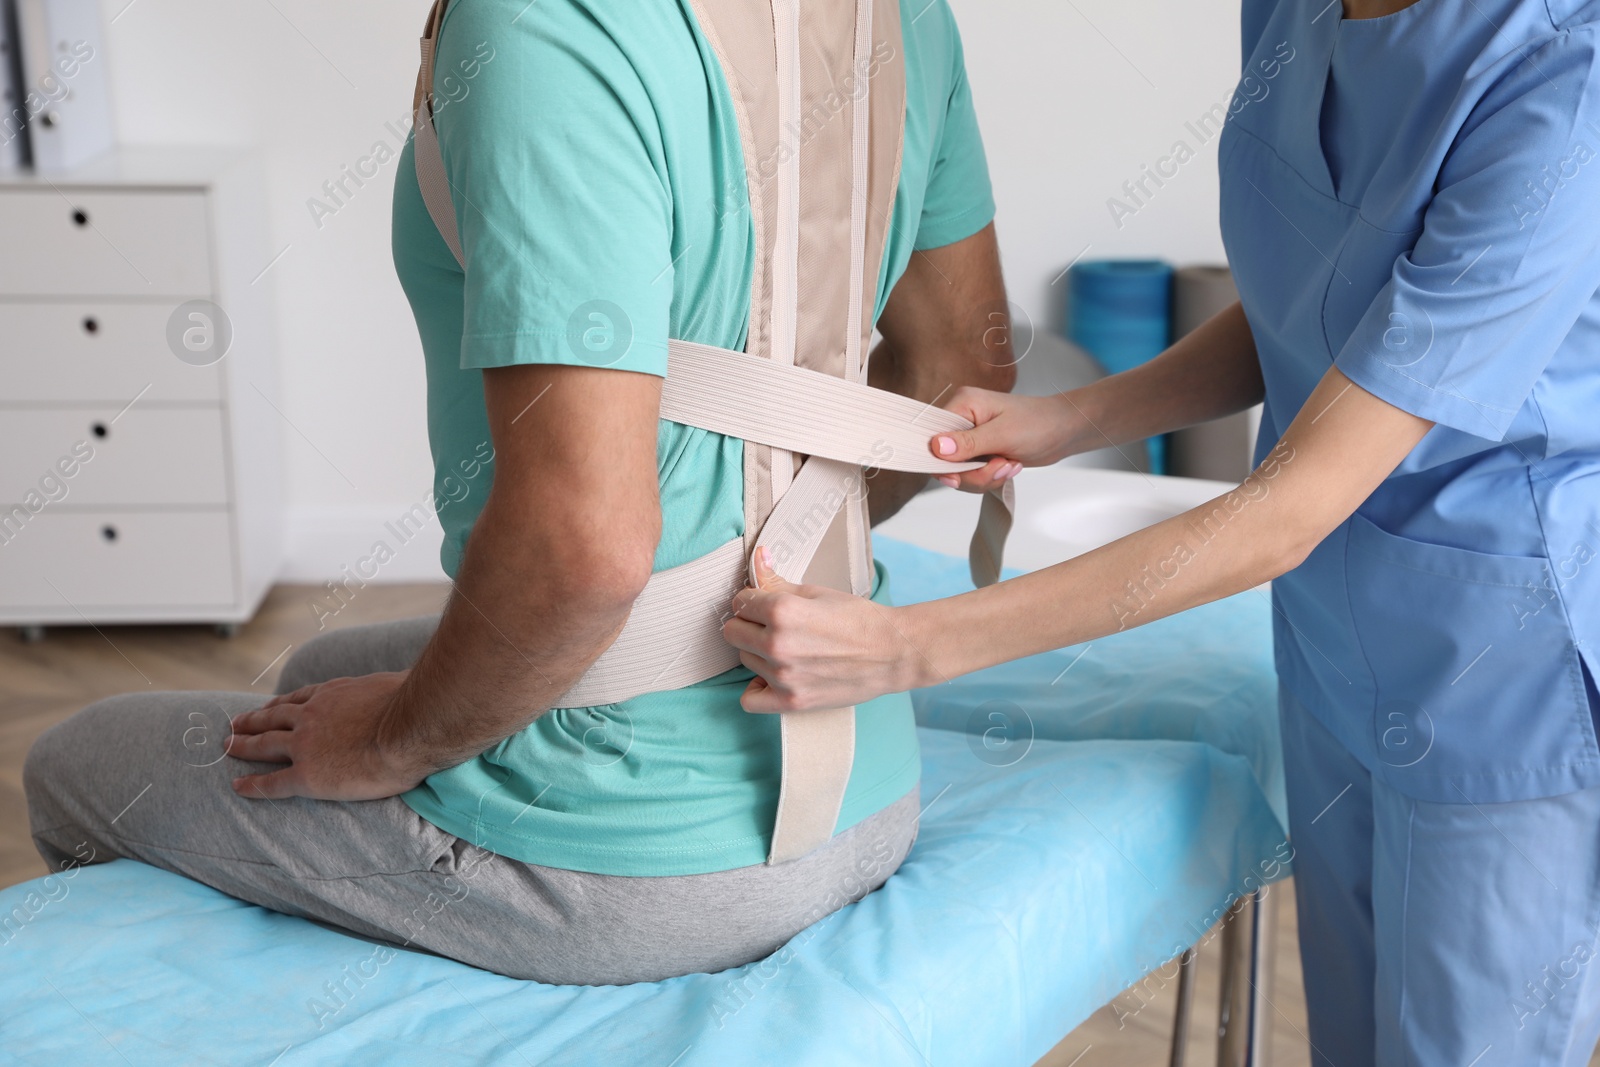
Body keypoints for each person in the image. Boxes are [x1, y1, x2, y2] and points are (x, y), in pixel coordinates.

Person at [23, 0, 1013, 985]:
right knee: (319, 664)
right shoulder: (899, 11)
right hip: (869, 779)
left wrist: (387, 740)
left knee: (76, 763)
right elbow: (962, 376)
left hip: (632, 862)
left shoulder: (543, 26)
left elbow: (584, 553)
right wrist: (765, 564)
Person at [726, 0, 1600, 1060]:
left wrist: (908, 646)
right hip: (1331, 628)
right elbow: (1326, 294)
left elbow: (1285, 510)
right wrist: (1069, 419)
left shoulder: (1560, 88)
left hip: (1498, 673)